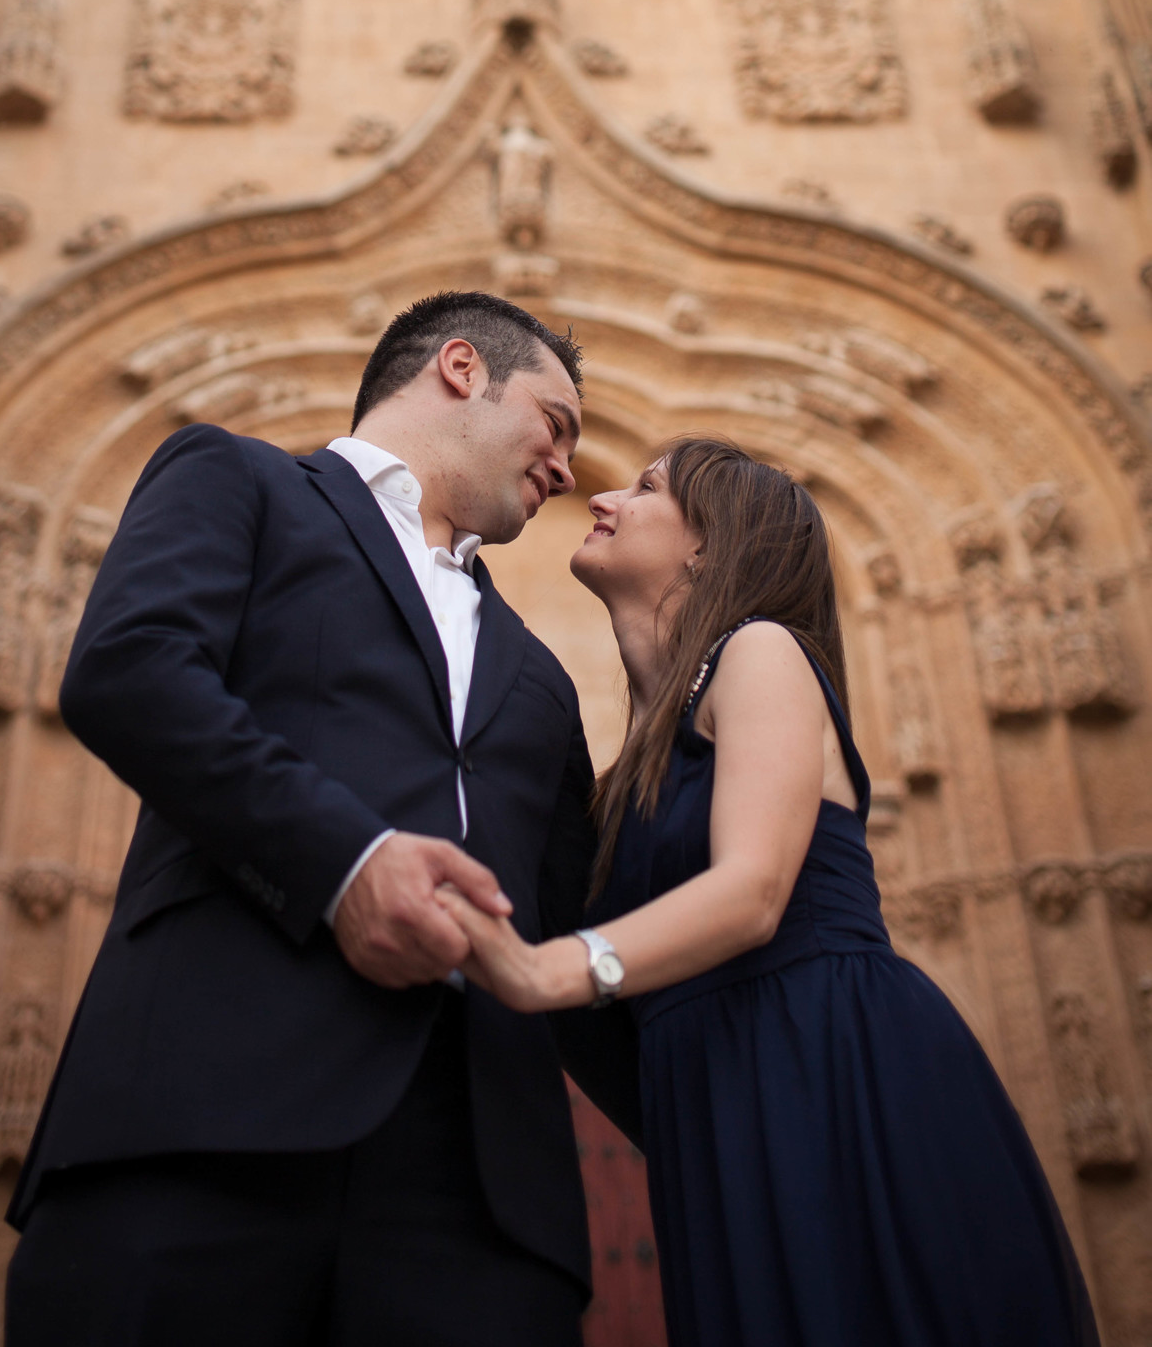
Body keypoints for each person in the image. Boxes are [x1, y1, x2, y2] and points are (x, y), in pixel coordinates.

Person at [5, 290, 638, 1347]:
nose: (569, 468)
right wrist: (348, 863)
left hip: (481, 1199)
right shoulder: (241, 479)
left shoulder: (539, 677)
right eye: (556, 422)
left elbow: (570, 929)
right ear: (461, 368)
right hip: (203, 1120)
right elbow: (130, 671)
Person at [442, 436, 1101, 1347]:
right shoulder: (631, 766)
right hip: (719, 1104)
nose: (602, 498)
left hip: (826, 1062)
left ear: (708, 545)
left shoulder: (758, 650)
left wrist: (547, 970)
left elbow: (752, 891)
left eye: (644, 488)